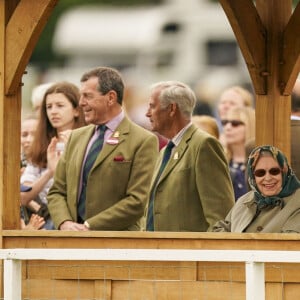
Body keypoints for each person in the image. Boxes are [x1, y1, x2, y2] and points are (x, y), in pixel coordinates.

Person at [47, 66, 158, 231]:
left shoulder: (143, 140)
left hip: (116, 245)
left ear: (111, 97)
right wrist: (65, 223)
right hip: (71, 243)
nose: (81, 103)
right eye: (81, 96)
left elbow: (137, 201)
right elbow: (57, 191)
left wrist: (88, 226)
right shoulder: (76, 138)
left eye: (88, 96)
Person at [144, 80, 235, 232]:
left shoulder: (204, 145)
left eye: (153, 106)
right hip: (158, 251)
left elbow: (220, 218)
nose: (147, 113)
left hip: (188, 253)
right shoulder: (165, 152)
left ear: (172, 109)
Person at [21, 81, 86, 229]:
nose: (53, 111)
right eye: (49, 107)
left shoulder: (89, 141)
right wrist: (49, 172)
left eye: (60, 105)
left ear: (76, 110)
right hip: (48, 220)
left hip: (81, 220)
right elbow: (23, 197)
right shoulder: (40, 146)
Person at [213, 145, 300, 233]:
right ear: (253, 177)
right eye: (260, 173)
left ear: (284, 172)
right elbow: (221, 230)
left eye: (274, 171)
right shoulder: (244, 200)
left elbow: (290, 243)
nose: (268, 178)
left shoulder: (297, 201)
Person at [221, 106, 256, 200]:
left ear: (250, 126)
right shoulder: (220, 160)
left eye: (235, 124)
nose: (227, 127)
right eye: (224, 123)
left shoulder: (258, 162)